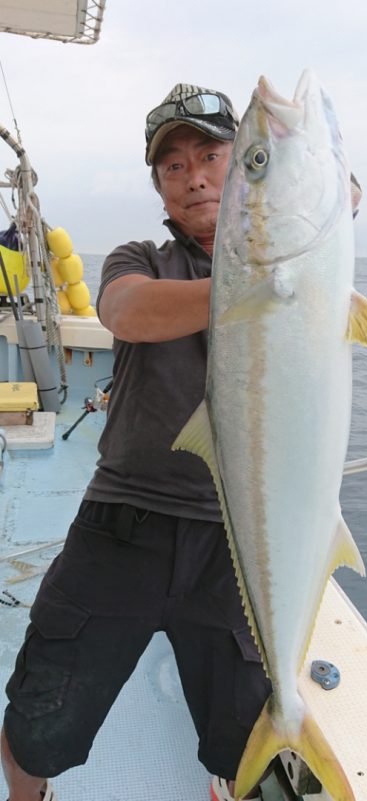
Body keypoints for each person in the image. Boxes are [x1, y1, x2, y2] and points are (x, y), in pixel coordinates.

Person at [0, 83, 274, 801]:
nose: (196, 177)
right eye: (174, 166)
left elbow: (342, 188)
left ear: (242, 163)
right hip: (123, 523)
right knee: (38, 718)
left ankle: (226, 781)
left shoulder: (287, 257)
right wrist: (254, 287)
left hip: (234, 538)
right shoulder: (141, 258)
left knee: (248, 728)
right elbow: (123, 312)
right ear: (158, 185)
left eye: (212, 155)